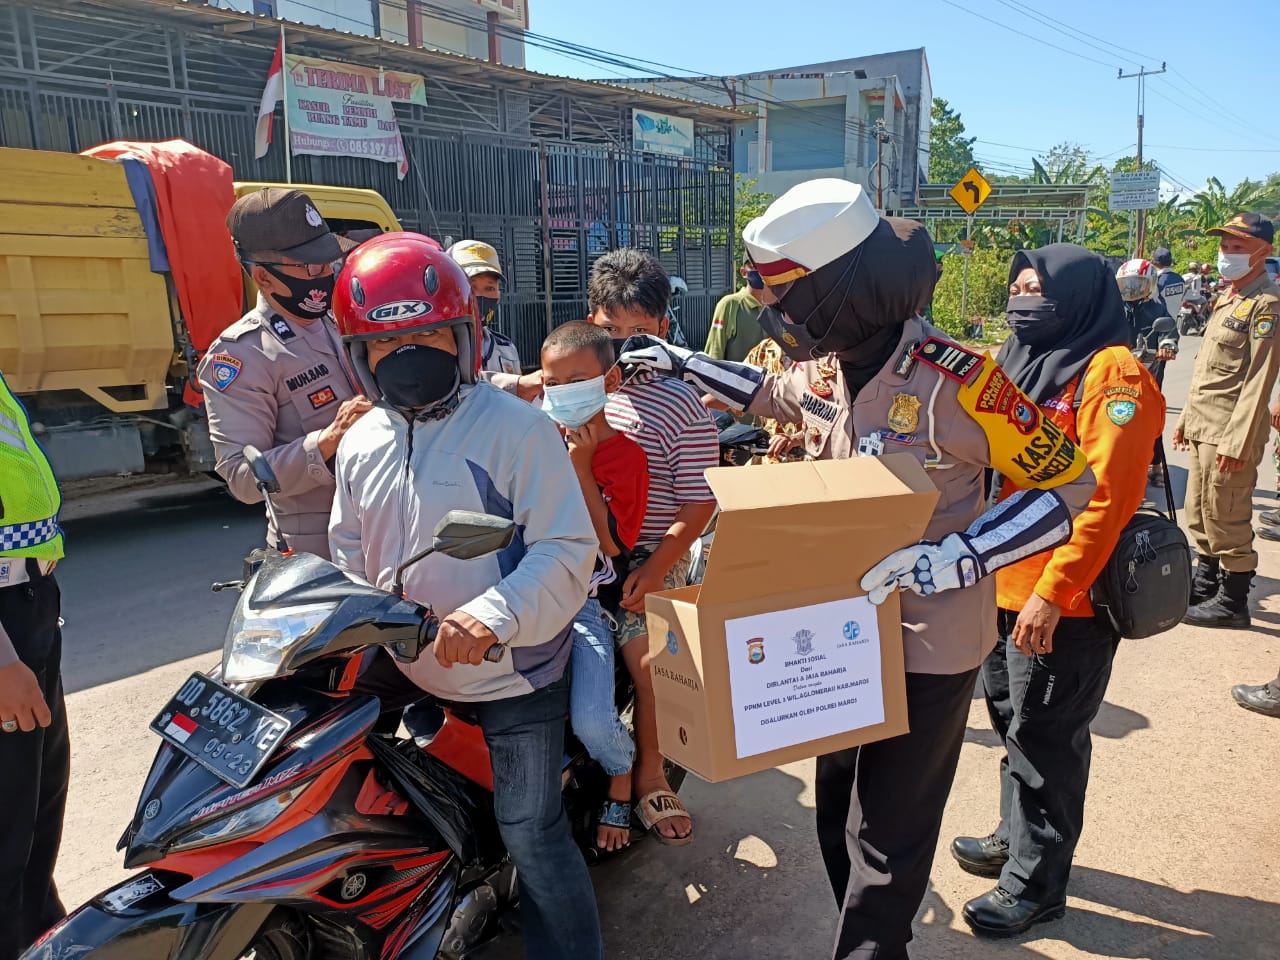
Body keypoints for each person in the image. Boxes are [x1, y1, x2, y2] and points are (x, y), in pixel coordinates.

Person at [620, 177, 1096, 960]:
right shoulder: (826, 366)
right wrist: (680, 362)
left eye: (786, 293)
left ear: (842, 288)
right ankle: (872, 940)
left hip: (929, 645)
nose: (776, 311)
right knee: (838, 813)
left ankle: (873, 949)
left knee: (891, 834)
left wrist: (958, 556)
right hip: (834, 635)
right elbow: (772, 396)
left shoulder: (960, 382)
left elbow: (1069, 483)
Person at [329, 233, 602, 960]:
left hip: (511, 671)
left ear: (466, 337)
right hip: (404, 660)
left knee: (532, 836)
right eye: (388, 343)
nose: (411, 354)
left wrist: (490, 614)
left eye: (427, 334)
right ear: (359, 355)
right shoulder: (360, 443)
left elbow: (568, 551)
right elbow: (349, 550)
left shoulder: (518, 430)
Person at [953, 244, 1165, 937]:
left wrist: (1055, 589)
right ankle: (1015, 838)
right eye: (1015, 289)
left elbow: (1106, 494)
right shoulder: (1020, 360)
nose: (1021, 301)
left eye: (1035, 289)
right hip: (999, 582)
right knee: (1011, 721)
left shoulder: (1116, 373)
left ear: (1075, 297)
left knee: (1048, 738)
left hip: (1063, 597)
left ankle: (1036, 885)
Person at [587, 248, 719, 845]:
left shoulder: (683, 405)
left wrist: (659, 566)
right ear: (592, 320)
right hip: (572, 556)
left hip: (646, 559)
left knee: (650, 668)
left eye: (638, 331)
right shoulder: (569, 384)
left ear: (663, 328)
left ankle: (647, 777)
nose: (625, 343)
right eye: (613, 330)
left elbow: (699, 504)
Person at [199, 187, 372, 558]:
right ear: (264, 278)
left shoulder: (341, 319)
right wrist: (328, 440)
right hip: (316, 557)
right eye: (312, 267)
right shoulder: (242, 356)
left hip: (382, 534)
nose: (326, 275)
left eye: (329, 262)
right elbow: (243, 479)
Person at [539, 321, 645, 852]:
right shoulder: (536, 440)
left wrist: (581, 467)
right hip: (530, 593)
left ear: (611, 380)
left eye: (576, 381)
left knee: (591, 719)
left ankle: (622, 779)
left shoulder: (624, 455)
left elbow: (611, 543)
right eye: (552, 383)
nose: (560, 394)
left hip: (586, 603)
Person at [1173, 212, 1280, 629]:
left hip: (1231, 429)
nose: (1227, 254)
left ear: (1263, 252)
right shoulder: (1228, 298)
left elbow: (1258, 381)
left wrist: (1238, 441)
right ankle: (1206, 580)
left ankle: (1233, 600)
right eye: (1224, 246)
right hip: (1204, 423)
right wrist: (1186, 418)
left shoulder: (1266, 305)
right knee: (1199, 509)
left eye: (1238, 247)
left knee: (1226, 510)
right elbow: (1207, 368)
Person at [0, 370, 68, 960]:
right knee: (8, 828)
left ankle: (41, 941)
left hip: (30, 605)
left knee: (38, 812)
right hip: (6, 627)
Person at [1116, 257, 1178, 486]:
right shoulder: (1114, 309)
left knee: (1152, 418)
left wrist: (1167, 346)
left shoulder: (1156, 309)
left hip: (1149, 371)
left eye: (1137, 284)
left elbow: (1169, 331)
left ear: (1149, 284)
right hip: (1117, 371)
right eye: (1127, 284)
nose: (1131, 289)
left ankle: (1156, 466)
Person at [447, 239, 523, 375]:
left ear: (499, 296)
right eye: (470, 286)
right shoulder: (437, 347)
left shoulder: (507, 349)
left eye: (489, 288)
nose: (479, 296)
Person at [703, 257, 767, 362]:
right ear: (743, 272)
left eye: (764, 266)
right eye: (755, 267)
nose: (761, 272)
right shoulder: (730, 305)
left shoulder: (778, 307)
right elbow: (715, 354)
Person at [1152, 247, 1186, 319]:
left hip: (1157, 323)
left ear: (1154, 262)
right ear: (1170, 262)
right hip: (1173, 321)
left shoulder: (1156, 281)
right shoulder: (1180, 279)